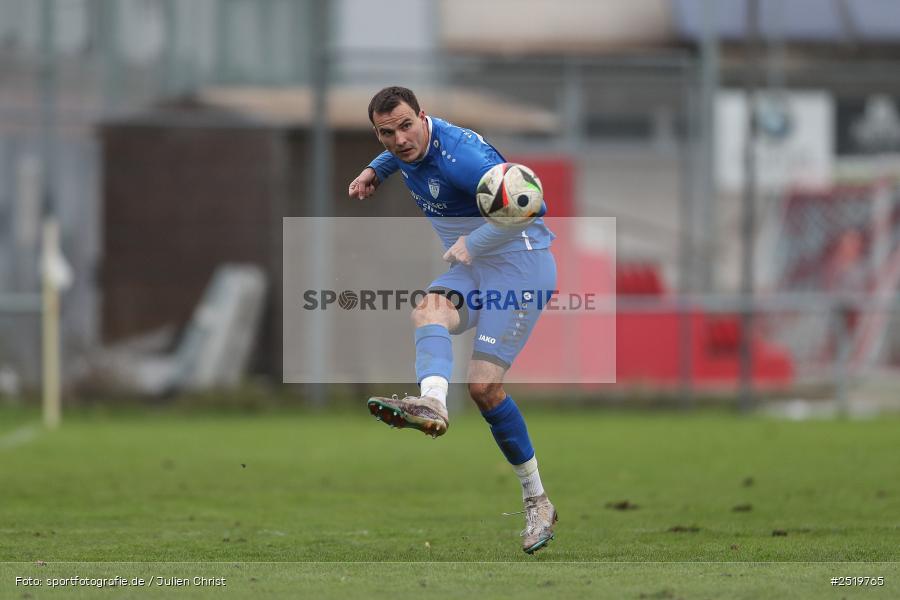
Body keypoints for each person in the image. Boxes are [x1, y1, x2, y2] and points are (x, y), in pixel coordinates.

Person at [348, 86, 558, 554]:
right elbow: (402, 154)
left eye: (406, 126)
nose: (400, 140)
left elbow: (533, 205)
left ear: (423, 116)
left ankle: (537, 500)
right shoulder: (403, 146)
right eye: (386, 133)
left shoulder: (463, 159)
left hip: (520, 266)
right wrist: (374, 170)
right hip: (474, 267)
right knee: (428, 310)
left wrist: (475, 242)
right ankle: (433, 404)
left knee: (483, 388)